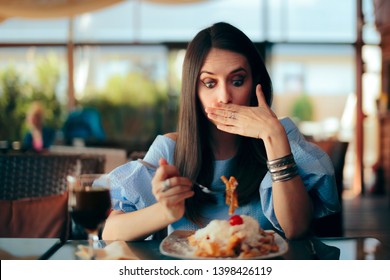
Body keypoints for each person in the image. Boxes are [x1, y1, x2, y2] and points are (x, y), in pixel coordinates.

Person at [102, 22, 340, 241]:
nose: (225, 97)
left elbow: (296, 228)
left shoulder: (279, 136)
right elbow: (111, 232)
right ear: (193, 90)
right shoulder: (171, 149)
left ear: (255, 83)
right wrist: (164, 210)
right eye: (209, 83)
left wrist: (273, 137)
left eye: (237, 81)